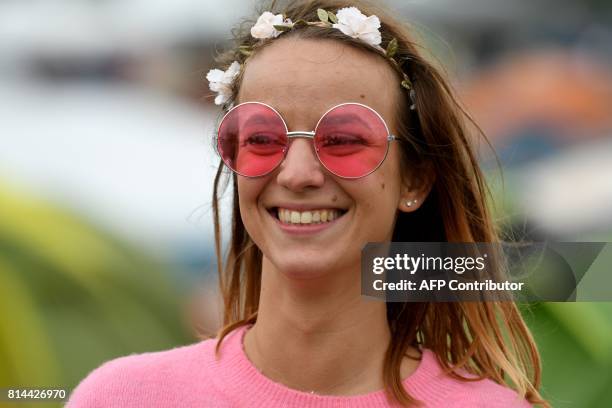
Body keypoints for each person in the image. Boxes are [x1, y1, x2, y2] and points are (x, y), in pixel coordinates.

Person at [67, 1, 548, 406]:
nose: (296, 174)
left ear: (415, 180)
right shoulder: (124, 397)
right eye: (262, 136)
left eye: (342, 138)